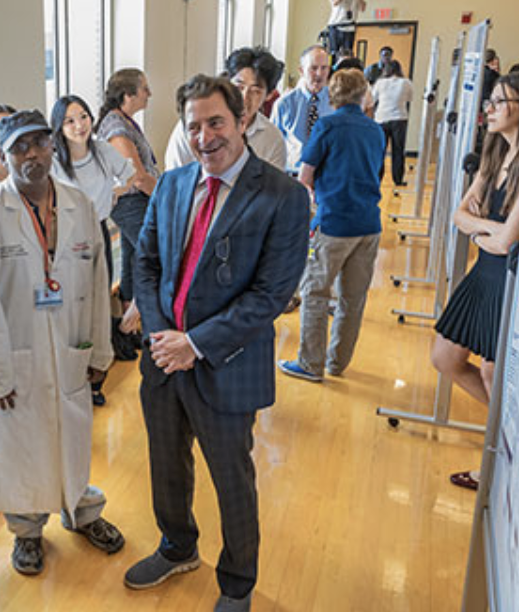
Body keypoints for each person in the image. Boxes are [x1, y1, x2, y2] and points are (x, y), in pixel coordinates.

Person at [124, 74, 309, 612]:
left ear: (242, 120)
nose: (205, 136)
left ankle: (237, 584)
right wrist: (164, 339)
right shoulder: (173, 184)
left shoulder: (284, 196)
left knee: (232, 481)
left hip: (225, 366)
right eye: (193, 126)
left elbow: (270, 294)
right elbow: (148, 263)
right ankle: (178, 546)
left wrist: (195, 344)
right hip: (163, 361)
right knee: (166, 465)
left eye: (216, 123)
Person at [0, 110, 124, 575]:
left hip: (70, 344)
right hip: (16, 354)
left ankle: (81, 511)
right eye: (19, 148)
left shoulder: (78, 205)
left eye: (39, 143)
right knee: (19, 448)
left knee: (73, 438)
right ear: (3, 155)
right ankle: (27, 532)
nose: (32, 155)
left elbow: (97, 279)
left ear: (53, 145)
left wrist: (99, 351)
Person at [431, 69, 519, 490]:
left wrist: (477, 227)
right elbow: (459, 217)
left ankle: (502, 451)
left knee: (491, 375)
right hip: (483, 272)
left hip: (508, 281)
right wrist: (484, 228)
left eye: (500, 102)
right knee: (445, 358)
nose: (490, 110)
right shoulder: (494, 154)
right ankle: (508, 434)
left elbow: (506, 242)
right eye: (490, 102)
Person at [277, 68, 385, 383]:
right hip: (369, 224)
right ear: (363, 94)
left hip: (334, 224)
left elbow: (305, 179)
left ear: (331, 95)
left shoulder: (327, 126)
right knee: (353, 297)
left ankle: (311, 364)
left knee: (315, 291)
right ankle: (337, 363)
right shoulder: (375, 131)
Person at [50, 94, 135, 404]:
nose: (79, 125)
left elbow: (130, 176)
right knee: (71, 311)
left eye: (83, 116)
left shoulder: (102, 150)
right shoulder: (55, 160)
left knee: (98, 308)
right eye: (70, 120)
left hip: (97, 232)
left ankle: (96, 381)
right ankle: (71, 380)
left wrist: (113, 194)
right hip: (66, 239)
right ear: (59, 126)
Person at [96, 68, 160, 337]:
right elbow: (136, 177)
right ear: (128, 94)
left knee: (133, 259)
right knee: (156, 255)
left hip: (139, 201)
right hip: (132, 203)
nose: (149, 94)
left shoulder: (124, 121)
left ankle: (128, 328)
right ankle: (131, 322)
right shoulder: (116, 127)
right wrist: (166, 196)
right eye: (144, 88)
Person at [165, 46, 286, 172]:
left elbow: (274, 188)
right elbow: (175, 179)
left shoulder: (272, 138)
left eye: (255, 91)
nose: (244, 98)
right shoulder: (193, 127)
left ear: (269, 95)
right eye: (239, 87)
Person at [271, 45, 334, 175]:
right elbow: (273, 144)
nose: (319, 74)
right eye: (313, 68)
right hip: (293, 175)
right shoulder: (284, 104)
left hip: (327, 176)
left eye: (324, 68)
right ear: (301, 71)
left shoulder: (337, 102)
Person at [372, 60, 414, 186]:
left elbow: (373, 99)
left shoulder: (380, 83)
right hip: (399, 119)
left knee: (380, 151)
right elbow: (410, 98)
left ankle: (377, 179)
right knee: (398, 150)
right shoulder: (406, 83)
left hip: (381, 119)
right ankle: (398, 179)